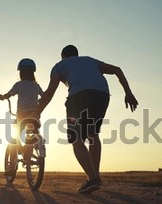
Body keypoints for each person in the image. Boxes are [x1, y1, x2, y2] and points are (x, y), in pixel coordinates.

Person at [37, 45, 139, 194]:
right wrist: (128, 93)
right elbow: (117, 69)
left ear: (63, 56)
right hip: (101, 94)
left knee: (75, 138)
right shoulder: (90, 61)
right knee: (92, 135)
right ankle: (94, 177)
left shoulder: (60, 65)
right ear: (76, 55)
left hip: (79, 96)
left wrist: (37, 112)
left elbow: (50, 93)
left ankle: (93, 178)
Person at [0, 58, 44, 174]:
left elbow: (8, 95)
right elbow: (44, 96)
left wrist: (2, 97)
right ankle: (29, 150)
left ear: (21, 73)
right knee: (33, 133)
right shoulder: (36, 86)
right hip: (34, 117)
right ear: (33, 73)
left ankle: (12, 167)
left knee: (14, 136)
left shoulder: (19, 85)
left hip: (22, 116)